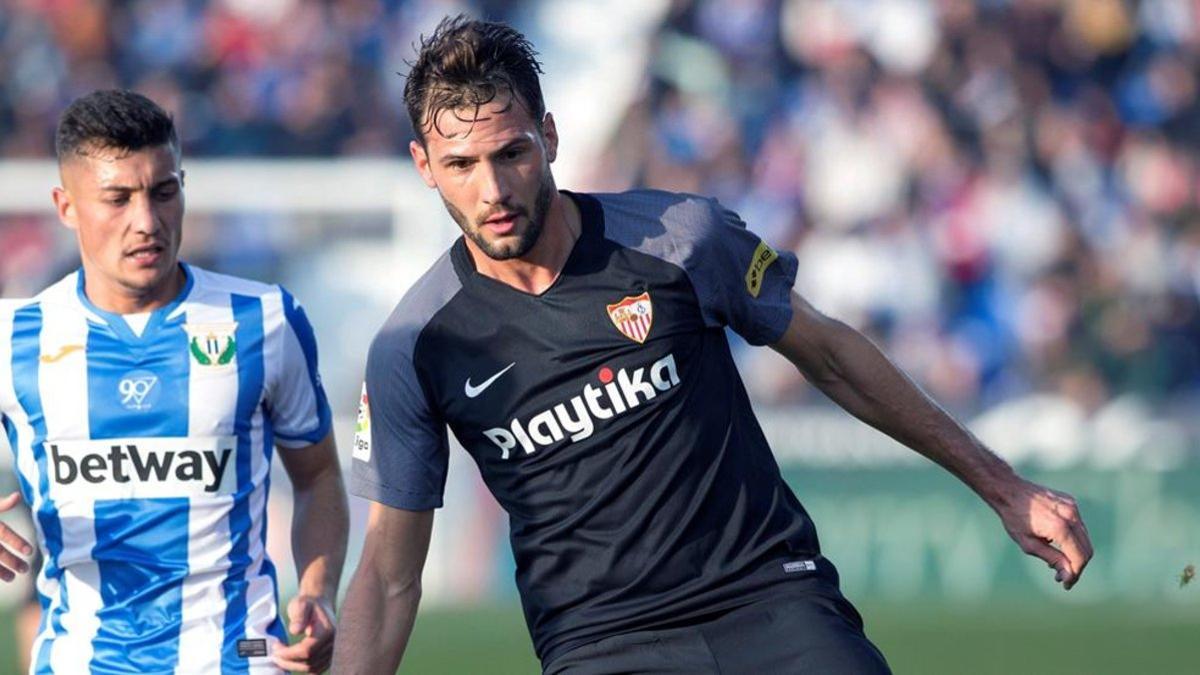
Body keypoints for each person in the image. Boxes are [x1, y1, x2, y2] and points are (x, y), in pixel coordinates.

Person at [332, 16, 1093, 675]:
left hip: (771, 599)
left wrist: (1004, 487)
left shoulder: (680, 238)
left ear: (551, 137)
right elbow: (391, 574)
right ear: (424, 167)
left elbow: (829, 352)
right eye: (462, 165)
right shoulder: (415, 345)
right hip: (601, 645)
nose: (492, 189)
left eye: (511, 153)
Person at [0, 89, 348, 674]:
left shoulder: (262, 319)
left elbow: (316, 476)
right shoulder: (14, 336)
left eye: (164, 192)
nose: (147, 221)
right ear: (66, 207)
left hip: (238, 657)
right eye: (117, 199)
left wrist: (317, 590)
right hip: (80, 661)